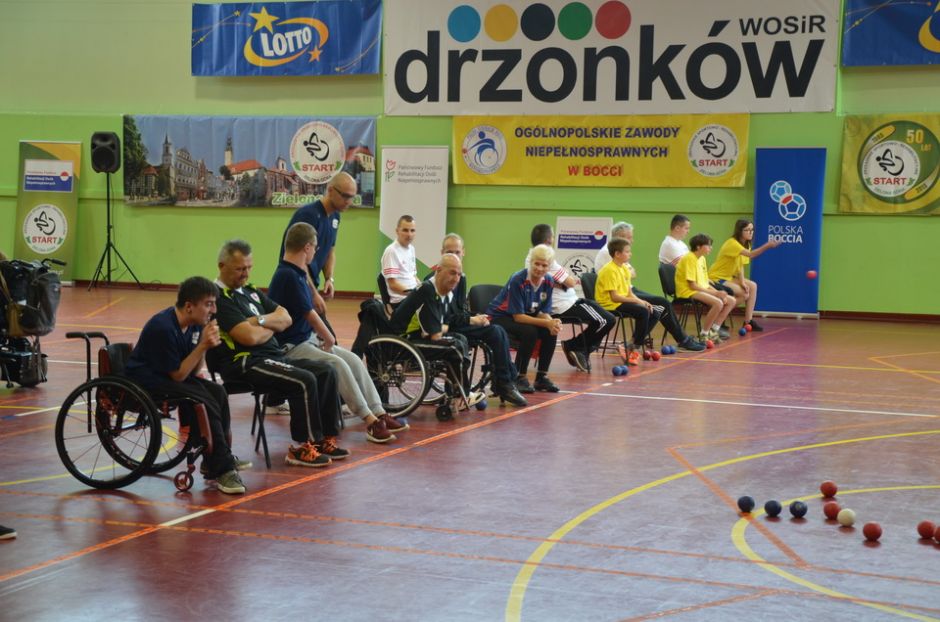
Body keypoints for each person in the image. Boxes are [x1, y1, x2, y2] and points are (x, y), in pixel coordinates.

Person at [213, 239, 346, 468]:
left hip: (273, 357)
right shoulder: (219, 298)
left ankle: (324, 440)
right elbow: (248, 338)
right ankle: (302, 447)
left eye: (249, 267)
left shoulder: (251, 292)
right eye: (240, 269)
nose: (245, 274)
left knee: (326, 371)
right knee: (303, 379)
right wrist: (271, 326)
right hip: (245, 363)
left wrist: (258, 321)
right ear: (222, 266)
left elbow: (285, 317)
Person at [269, 222, 406, 443]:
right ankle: (370, 420)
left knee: (353, 360)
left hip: (307, 340)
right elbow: (309, 314)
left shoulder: (297, 272)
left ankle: (379, 412)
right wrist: (329, 337)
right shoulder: (287, 275)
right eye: (315, 248)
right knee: (337, 363)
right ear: (307, 247)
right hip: (291, 347)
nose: (316, 252)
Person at [125, 277, 250, 494]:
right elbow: (178, 375)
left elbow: (191, 370)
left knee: (218, 391)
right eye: (209, 304)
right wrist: (203, 345)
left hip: (170, 376)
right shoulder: (163, 327)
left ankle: (215, 457)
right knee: (203, 400)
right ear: (189, 306)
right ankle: (223, 468)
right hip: (148, 381)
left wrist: (204, 345)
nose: (214, 310)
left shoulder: (193, 326)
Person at [422, 241, 527, 407]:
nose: (454, 255)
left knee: (497, 330)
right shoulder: (433, 281)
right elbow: (444, 317)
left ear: (463, 252)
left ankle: (505, 381)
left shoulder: (460, 277)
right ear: (442, 253)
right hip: (444, 328)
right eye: (450, 252)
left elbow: (458, 310)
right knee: (495, 332)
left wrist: (475, 317)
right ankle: (505, 383)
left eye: (457, 252)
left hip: (456, 323)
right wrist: (469, 320)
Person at [390, 253, 486, 417]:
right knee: (454, 348)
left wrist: (450, 326)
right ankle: (460, 395)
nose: (456, 279)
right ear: (439, 270)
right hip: (404, 340)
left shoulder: (445, 293)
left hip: (420, 334)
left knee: (461, 339)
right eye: (452, 273)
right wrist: (446, 328)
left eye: (459, 274)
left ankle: (456, 393)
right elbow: (433, 332)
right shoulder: (428, 290)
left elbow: (444, 323)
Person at [596, 222, 705, 352]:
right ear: (619, 237)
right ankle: (680, 340)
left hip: (626, 290)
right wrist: (637, 299)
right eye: (629, 237)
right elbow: (627, 277)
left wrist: (637, 297)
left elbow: (633, 273)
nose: (632, 240)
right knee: (660, 305)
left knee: (660, 305)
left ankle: (637, 341)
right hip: (616, 296)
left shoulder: (619, 254)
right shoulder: (609, 252)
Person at [529, 224, 614, 372]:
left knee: (606, 318)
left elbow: (565, 281)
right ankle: (576, 347)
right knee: (606, 320)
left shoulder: (533, 257)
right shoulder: (545, 259)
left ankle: (578, 348)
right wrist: (565, 277)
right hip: (563, 305)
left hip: (569, 301)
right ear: (549, 239)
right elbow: (570, 282)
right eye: (553, 236)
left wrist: (563, 279)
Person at [280, 171, 357, 321]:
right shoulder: (307, 215)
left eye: (352, 197)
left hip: (308, 288)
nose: (349, 201)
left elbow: (330, 251)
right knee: (317, 333)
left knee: (324, 333)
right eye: (345, 196)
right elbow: (297, 260)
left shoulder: (335, 216)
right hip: (295, 287)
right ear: (330, 190)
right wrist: (313, 294)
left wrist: (329, 279)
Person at [486, 244, 561, 393]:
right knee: (530, 331)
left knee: (551, 331)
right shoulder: (518, 279)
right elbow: (518, 317)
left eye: (544, 265)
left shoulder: (548, 281)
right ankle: (519, 377)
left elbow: (542, 311)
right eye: (537, 264)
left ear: (549, 266)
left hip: (523, 316)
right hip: (500, 317)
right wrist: (547, 322)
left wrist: (552, 323)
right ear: (530, 262)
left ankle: (541, 377)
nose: (539, 268)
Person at [595, 238, 664, 365]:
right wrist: (637, 302)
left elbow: (629, 293)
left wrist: (641, 301)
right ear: (617, 254)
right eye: (627, 251)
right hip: (609, 304)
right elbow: (614, 297)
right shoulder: (609, 270)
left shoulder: (624, 269)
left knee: (654, 312)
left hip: (620, 302)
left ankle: (631, 343)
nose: (630, 254)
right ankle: (634, 348)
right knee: (643, 312)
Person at [708, 219, 780, 331]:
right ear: (740, 231)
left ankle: (748, 321)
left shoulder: (746, 244)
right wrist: (767, 245)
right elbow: (751, 255)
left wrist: (742, 282)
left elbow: (740, 265)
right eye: (747, 230)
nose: (751, 232)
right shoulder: (732, 243)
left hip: (729, 277)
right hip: (716, 277)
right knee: (744, 294)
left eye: (752, 230)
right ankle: (718, 318)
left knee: (752, 286)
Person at [676, 234, 736, 344]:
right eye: (708, 245)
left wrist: (718, 292)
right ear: (698, 247)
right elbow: (693, 286)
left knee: (731, 301)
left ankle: (713, 331)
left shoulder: (702, 259)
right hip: (688, 291)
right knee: (718, 303)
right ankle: (704, 334)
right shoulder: (689, 258)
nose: (711, 248)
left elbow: (704, 282)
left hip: (698, 289)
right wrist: (716, 294)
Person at [381, 215, 418, 306]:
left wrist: (422, 289)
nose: (409, 234)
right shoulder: (391, 251)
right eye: (405, 230)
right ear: (397, 231)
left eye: (412, 230)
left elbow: (414, 276)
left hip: (412, 297)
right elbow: (393, 284)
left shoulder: (411, 249)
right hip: (400, 301)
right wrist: (414, 294)